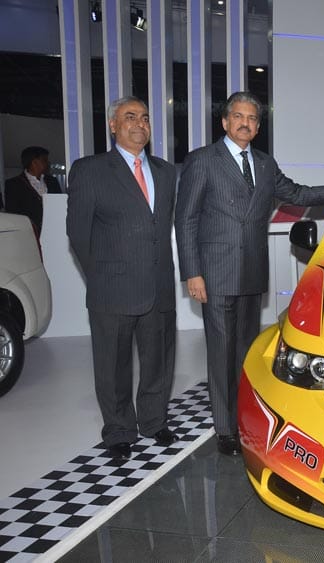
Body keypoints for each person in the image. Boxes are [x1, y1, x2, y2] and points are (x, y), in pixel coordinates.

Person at [175, 91, 324, 456]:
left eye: (253, 119)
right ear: (225, 121)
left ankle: (246, 416)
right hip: (214, 274)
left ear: (258, 127)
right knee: (220, 354)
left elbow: (296, 193)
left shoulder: (263, 163)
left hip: (251, 272)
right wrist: (192, 273)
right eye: (239, 116)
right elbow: (186, 221)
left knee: (247, 354)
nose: (246, 123)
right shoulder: (202, 161)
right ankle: (225, 429)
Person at [66, 96, 179, 460]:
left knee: (158, 361)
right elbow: (78, 235)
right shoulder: (90, 170)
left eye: (145, 118)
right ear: (113, 125)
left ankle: (153, 420)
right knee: (113, 366)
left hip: (158, 285)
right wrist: (101, 276)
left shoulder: (165, 172)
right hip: (111, 288)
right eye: (130, 117)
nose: (140, 124)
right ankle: (118, 430)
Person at [4, 146, 63, 239]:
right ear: (34, 162)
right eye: (44, 160)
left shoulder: (53, 181)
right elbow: (13, 213)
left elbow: (60, 206)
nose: (48, 163)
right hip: (28, 236)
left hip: (54, 234)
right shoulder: (13, 184)